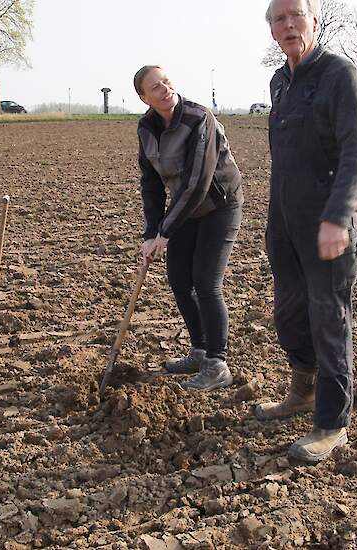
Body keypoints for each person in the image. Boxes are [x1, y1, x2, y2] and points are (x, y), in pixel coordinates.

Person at [255, 0, 357, 462]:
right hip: (284, 223)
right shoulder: (280, 81)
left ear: (313, 22)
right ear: (272, 31)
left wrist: (338, 215)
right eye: (278, 19)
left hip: (328, 225)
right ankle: (301, 389)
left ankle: (331, 422)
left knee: (330, 320)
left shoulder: (339, 75)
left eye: (295, 16)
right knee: (288, 314)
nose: (287, 25)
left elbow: (356, 152)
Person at [133, 65, 245, 391]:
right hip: (185, 209)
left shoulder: (199, 118)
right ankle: (199, 351)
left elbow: (197, 183)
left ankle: (217, 364)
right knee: (180, 279)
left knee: (205, 282)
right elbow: (151, 184)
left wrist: (165, 232)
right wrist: (151, 232)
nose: (165, 89)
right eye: (155, 87)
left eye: (166, 81)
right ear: (144, 97)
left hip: (219, 204)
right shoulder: (146, 129)